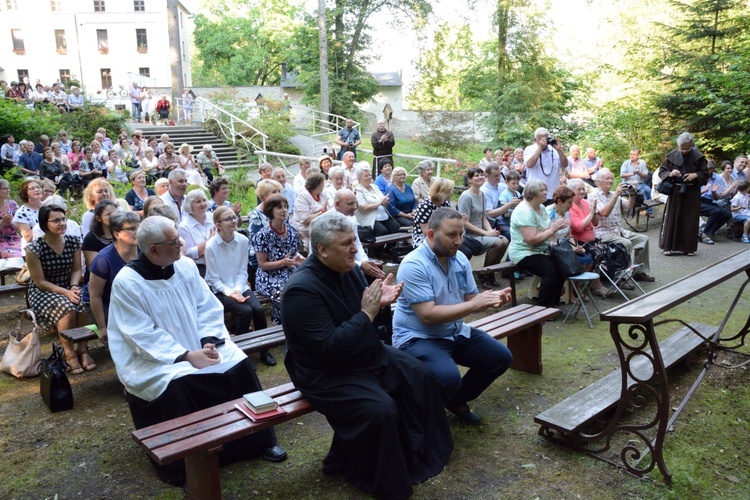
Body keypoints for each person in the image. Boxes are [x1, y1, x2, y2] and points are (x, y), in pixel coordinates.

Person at [281, 211, 453, 498]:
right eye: (347, 243)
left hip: (360, 351)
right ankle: (375, 472)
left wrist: (380, 304)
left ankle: (417, 453)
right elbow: (330, 348)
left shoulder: (346, 271)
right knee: (380, 409)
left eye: (354, 240)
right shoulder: (301, 291)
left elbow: (366, 315)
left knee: (420, 375)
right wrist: (369, 311)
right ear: (322, 250)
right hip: (322, 370)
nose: (354, 249)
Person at [107, 215, 286, 485]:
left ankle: (259, 441)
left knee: (239, 364)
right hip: (155, 359)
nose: (182, 244)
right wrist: (187, 356)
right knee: (180, 383)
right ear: (153, 249)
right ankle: (187, 461)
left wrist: (207, 342)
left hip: (199, 345)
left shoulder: (186, 266)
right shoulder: (128, 282)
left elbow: (207, 306)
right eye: (173, 241)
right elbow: (139, 333)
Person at [393, 207, 514, 424]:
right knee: (448, 378)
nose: (458, 241)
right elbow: (428, 316)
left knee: (500, 358)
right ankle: (420, 417)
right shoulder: (413, 264)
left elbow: (471, 300)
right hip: (417, 337)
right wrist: (474, 304)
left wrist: (490, 301)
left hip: (453, 331)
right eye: (451, 235)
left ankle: (455, 400)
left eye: (461, 234)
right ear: (431, 234)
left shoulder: (459, 259)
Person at [26, 204, 92, 373]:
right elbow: (40, 281)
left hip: (69, 284)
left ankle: (83, 348)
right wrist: (66, 292)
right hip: (44, 290)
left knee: (85, 302)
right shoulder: (34, 249)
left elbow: (77, 270)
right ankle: (69, 353)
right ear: (44, 224)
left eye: (63, 219)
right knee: (67, 308)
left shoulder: (73, 242)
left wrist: (74, 286)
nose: (62, 223)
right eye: (56, 220)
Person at [205, 206, 269, 341]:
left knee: (258, 310)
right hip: (220, 291)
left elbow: (242, 271)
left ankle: (264, 349)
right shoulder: (211, 246)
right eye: (228, 219)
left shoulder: (243, 240)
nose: (234, 221)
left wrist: (238, 290)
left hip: (240, 286)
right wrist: (231, 293)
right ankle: (241, 347)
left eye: (234, 217)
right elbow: (213, 279)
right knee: (245, 311)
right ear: (218, 225)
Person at [508, 179, 569, 309]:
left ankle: (553, 304)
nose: (545, 192)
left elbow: (546, 228)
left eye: (545, 189)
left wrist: (555, 227)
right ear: (533, 193)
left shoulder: (540, 207)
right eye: (542, 190)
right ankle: (543, 308)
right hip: (524, 252)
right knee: (550, 271)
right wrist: (553, 230)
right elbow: (531, 240)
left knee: (562, 267)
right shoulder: (524, 211)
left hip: (541, 249)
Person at [83, 210, 140, 344]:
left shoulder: (143, 251)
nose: (137, 231)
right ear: (117, 234)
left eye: (139, 227)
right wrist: (103, 327)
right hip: (102, 301)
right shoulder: (103, 259)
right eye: (131, 229)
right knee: (123, 337)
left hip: (127, 297)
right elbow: (95, 295)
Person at [590, 169, 655, 280]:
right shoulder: (594, 195)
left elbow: (629, 206)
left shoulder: (612, 194)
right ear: (598, 181)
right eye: (607, 179)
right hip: (603, 233)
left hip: (618, 231)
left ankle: (639, 272)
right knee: (626, 243)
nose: (610, 181)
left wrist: (632, 194)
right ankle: (621, 278)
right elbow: (604, 213)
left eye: (611, 178)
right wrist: (616, 195)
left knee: (643, 239)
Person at [253, 195, 305, 324]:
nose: (284, 210)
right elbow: (262, 264)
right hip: (268, 275)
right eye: (279, 207)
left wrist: (297, 259)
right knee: (284, 293)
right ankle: (282, 324)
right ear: (271, 211)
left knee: (304, 288)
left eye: (286, 207)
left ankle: (302, 323)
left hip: (288, 271)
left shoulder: (292, 231)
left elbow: (293, 254)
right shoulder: (263, 235)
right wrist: (282, 262)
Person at [657, 132, 710, 256]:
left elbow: (705, 174)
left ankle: (688, 248)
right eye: (682, 149)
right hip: (676, 192)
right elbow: (662, 171)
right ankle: (668, 247)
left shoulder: (699, 157)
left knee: (690, 220)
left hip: (691, 192)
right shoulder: (671, 156)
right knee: (672, 219)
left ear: (692, 145)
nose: (684, 151)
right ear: (678, 146)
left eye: (687, 148)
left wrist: (695, 175)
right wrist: (671, 173)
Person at [458, 167, 509, 288]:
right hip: (470, 234)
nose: (480, 177)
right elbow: (465, 223)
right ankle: (484, 274)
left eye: (481, 175)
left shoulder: (482, 195)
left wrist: (490, 230)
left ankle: (491, 271)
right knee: (497, 242)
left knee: (505, 240)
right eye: (476, 175)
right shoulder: (466, 197)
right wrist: (486, 233)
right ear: (469, 180)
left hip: (482, 232)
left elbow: (483, 218)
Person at [333, 190, 385, 279]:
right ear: (337, 204)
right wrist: (360, 264)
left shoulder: (352, 218)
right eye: (350, 204)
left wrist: (365, 261)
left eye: (356, 203)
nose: (355, 207)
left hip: (348, 260)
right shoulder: (328, 223)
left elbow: (356, 242)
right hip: (334, 265)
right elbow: (334, 256)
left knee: (374, 268)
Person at [523, 127, 568, 202]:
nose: (544, 142)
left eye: (545, 139)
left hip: (552, 192)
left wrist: (560, 150)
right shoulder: (529, 149)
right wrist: (540, 149)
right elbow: (529, 164)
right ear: (535, 140)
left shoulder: (554, 150)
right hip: (535, 194)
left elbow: (564, 165)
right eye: (541, 139)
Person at [178, 189, 214, 276]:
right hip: (199, 266)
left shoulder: (213, 217)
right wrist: (209, 241)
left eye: (204, 200)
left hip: (218, 260)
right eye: (198, 202)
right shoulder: (184, 226)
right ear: (190, 205)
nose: (203, 204)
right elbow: (189, 253)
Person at [354, 167, 399, 236]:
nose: (369, 177)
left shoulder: (374, 187)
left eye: (369, 175)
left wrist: (385, 202)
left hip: (384, 217)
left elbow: (382, 200)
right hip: (370, 219)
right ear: (359, 179)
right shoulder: (359, 190)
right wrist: (380, 203)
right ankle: (376, 247)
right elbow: (362, 207)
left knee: (396, 227)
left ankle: (390, 247)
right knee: (382, 231)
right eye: (366, 176)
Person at [697, 160, 732, 245]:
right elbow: (692, 195)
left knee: (727, 214)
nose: (705, 171)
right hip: (697, 201)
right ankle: (704, 234)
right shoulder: (698, 177)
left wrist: (714, 192)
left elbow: (717, 198)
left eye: (708, 169)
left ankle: (708, 232)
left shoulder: (717, 178)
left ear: (712, 170)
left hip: (709, 202)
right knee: (716, 211)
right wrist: (704, 190)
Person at [412, 177, 454, 249]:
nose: (451, 193)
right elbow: (425, 232)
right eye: (449, 191)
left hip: (441, 233)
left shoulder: (445, 203)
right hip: (424, 237)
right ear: (442, 192)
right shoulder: (425, 206)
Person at [292, 172, 328, 250]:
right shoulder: (303, 197)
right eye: (322, 184)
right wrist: (322, 211)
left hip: (320, 227)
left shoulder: (323, 194)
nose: (323, 186)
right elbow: (306, 220)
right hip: (306, 231)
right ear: (317, 185)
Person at [482, 162, 513, 239]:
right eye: (496, 175)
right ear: (487, 175)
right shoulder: (484, 191)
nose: (499, 177)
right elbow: (489, 214)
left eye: (499, 174)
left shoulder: (502, 186)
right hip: (494, 222)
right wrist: (508, 205)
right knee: (513, 234)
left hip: (508, 218)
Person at [13, 180, 43, 254]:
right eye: (32, 188)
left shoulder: (48, 206)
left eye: (38, 187)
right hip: (33, 248)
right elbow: (28, 237)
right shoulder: (22, 212)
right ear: (26, 194)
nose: (36, 189)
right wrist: (45, 221)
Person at [620, 148, 653, 212]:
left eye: (634, 154)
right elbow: (622, 175)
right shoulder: (626, 163)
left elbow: (646, 176)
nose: (632, 156)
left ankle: (649, 211)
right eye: (631, 154)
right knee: (632, 190)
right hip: (628, 184)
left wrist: (639, 172)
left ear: (638, 156)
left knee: (648, 190)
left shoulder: (642, 163)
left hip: (640, 184)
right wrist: (632, 173)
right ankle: (631, 208)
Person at [0, 179, 21, 258]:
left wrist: (10, 222)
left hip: (15, 239)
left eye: (8, 188)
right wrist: (3, 221)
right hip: (1, 241)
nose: (8, 190)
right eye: (5, 188)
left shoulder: (13, 204)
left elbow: (19, 227)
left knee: (28, 252)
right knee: (14, 255)